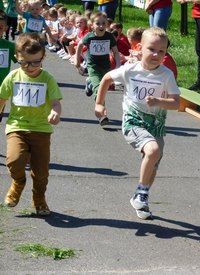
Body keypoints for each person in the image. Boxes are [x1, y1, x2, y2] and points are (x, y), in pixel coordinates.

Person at [95, 27, 180, 220]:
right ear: (140, 48)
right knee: (152, 151)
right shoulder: (130, 70)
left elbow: (176, 103)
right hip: (133, 122)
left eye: (162, 51)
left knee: (153, 164)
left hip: (155, 125)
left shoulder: (166, 75)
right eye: (152, 49)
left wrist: (159, 102)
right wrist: (99, 103)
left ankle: (140, 198)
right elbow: (107, 78)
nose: (156, 55)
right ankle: (142, 191)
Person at [0, 32, 62, 216]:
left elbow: (56, 102)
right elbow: (2, 98)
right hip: (17, 127)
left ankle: (39, 198)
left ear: (43, 57)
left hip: (41, 129)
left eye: (36, 62)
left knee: (41, 171)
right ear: (17, 58)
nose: (31, 67)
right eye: (25, 62)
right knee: (13, 160)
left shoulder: (47, 78)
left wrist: (55, 112)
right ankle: (18, 183)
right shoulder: (13, 77)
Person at [74, 11, 120, 126]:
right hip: (93, 67)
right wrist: (77, 60)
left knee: (102, 88)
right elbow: (80, 45)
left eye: (103, 23)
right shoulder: (89, 37)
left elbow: (115, 51)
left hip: (105, 67)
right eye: (97, 23)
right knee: (99, 89)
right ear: (92, 25)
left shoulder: (109, 37)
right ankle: (102, 114)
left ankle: (89, 82)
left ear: (107, 25)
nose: (101, 26)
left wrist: (118, 65)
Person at [0, 10, 17, 123]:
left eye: (0, 27)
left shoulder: (10, 46)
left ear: (6, 28)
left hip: (1, 91)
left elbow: (23, 60)